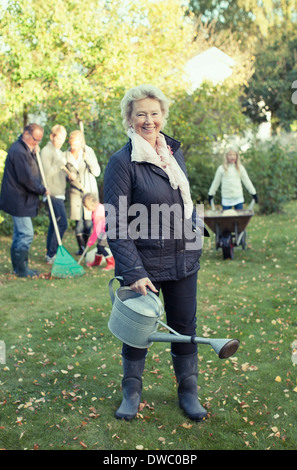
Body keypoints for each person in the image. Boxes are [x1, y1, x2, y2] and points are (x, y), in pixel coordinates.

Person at [104, 84, 209, 422]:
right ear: (129, 119)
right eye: (140, 115)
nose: (148, 120)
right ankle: (131, 393)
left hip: (183, 260)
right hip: (144, 264)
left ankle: (188, 392)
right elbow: (116, 223)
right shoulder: (122, 162)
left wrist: (195, 238)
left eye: (153, 113)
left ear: (162, 115)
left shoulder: (172, 153)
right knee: (138, 329)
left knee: (183, 327)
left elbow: (186, 202)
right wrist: (133, 272)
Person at [0, 123, 48, 277]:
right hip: (18, 199)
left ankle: (18, 268)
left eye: (40, 140)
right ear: (26, 134)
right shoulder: (19, 151)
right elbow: (26, 178)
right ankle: (22, 269)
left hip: (20, 199)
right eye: (35, 139)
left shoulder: (25, 149)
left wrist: (34, 153)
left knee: (19, 234)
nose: (37, 143)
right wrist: (42, 189)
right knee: (26, 233)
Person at [65, 130, 100, 255]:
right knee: (78, 220)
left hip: (89, 191)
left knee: (88, 220)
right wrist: (68, 176)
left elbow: (97, 172)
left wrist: (88, 159)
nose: (74, 147)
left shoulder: (88, 151)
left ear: (81, 143)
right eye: (72, 144)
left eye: (76, 144)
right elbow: (63, 173)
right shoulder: (66, 155)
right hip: (75, 191)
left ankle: (85, 246)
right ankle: (82, 248)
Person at [41, 125, 68, 264]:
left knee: (54, 224)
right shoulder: (46, 151)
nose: (62, 141)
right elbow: (46, 174)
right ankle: (52, 253)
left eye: (64, 138)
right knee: (62, 223)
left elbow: (60, 171)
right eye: (59, 138)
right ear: (52, 136)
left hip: (60, 192)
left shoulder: (59, 151)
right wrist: (59, 163)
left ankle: (49, 255)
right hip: (52, 193)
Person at [82, 192, 115, 271]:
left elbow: (96, 230)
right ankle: (97, 261)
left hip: (106, 231)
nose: (87, 209)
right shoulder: (99, 206)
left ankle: (111, 263)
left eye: (87, 206)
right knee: (99, 247)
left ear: (92, 204)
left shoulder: (98, 214)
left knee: (101, 247)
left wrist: (90, 241)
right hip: (104, 230)